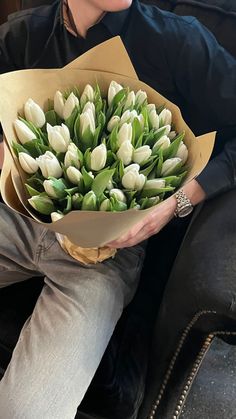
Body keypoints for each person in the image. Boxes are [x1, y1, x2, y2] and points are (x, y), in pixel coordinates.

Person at [0, 0, 235, 418]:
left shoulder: (178, 41)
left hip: (108, 253)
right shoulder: (21, 36)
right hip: (16, 221)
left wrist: (177, 202)